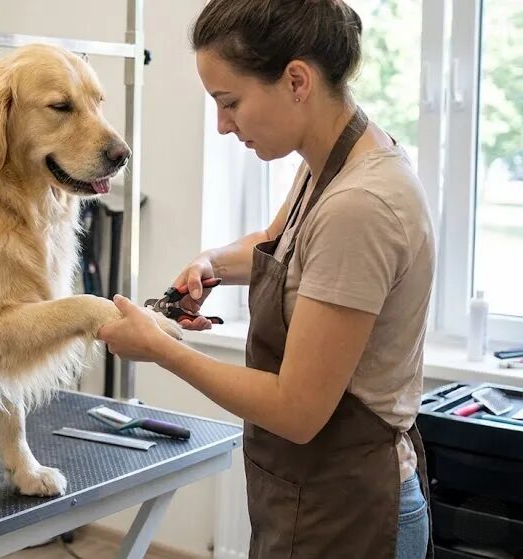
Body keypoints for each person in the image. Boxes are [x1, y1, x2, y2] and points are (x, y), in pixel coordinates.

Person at [97, 1, 436, 558]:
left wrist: (163, 349)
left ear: (296, 80)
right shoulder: (331, 160)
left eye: (229, 103)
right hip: (310, 495)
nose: (222, 125)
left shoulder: (363, 205)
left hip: (352, 513)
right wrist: (212, 263)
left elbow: (296, 410)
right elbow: (278, 244)